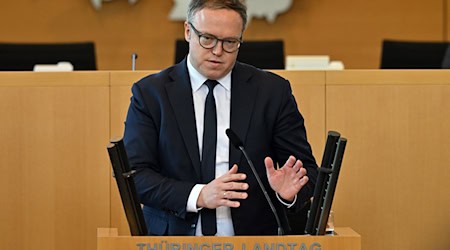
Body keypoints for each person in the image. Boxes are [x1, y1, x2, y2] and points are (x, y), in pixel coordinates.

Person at [123, 0, 318, 236]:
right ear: (188, 31)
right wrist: (198, 195)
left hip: (253, 240)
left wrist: (288, 194)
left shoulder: (272, 93)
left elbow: (306, 170)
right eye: (207, 38)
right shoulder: (151, 94)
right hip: (172, 238)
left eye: (229, 42)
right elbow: (134, 175)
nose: (217, 51)